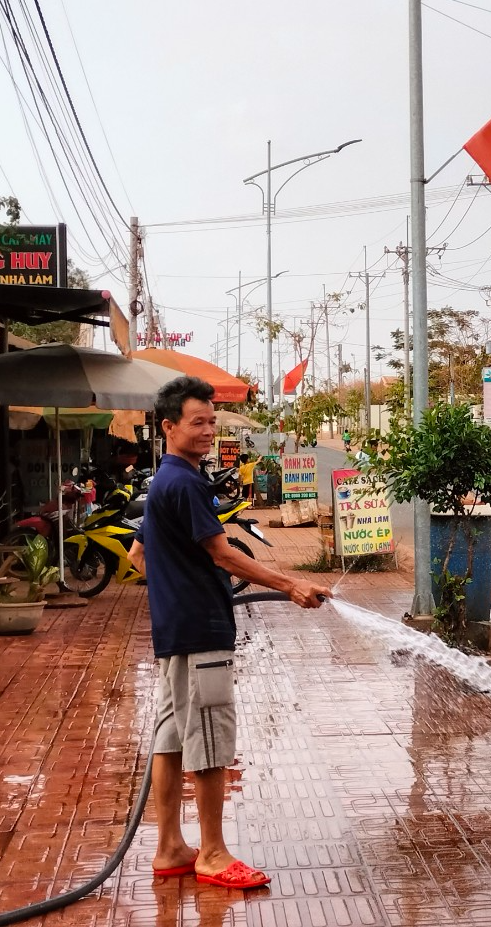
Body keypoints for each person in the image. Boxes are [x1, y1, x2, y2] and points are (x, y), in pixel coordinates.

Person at [127, 376, 329, 890]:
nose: (208, 431)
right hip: (199, 630)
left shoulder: (163, 481)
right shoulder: (188, 483)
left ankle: (170, 846)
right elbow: (221, 550)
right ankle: (212, 854)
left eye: (211, 421)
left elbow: (139, 558)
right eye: (197, 422)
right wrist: (290, 585)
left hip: (173, 631)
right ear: (168, 426)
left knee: (171, 740)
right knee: (211, 741)